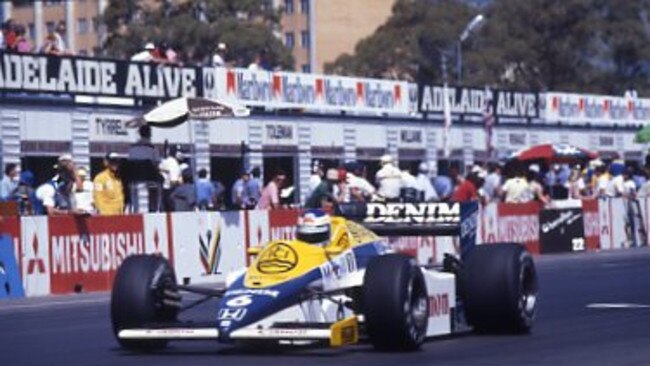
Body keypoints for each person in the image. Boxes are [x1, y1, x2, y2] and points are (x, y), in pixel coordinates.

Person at [159, 145, 182, 211]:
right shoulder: (174, 164)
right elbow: (173, 182)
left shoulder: (164, 161)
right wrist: (180, 182)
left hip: (163, 191)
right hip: (171, 192)